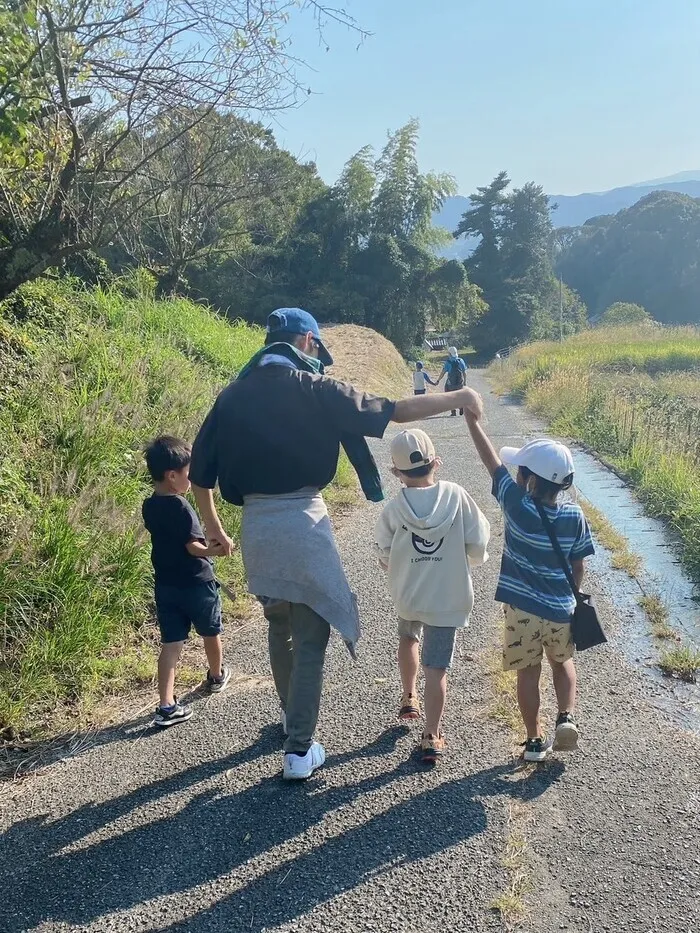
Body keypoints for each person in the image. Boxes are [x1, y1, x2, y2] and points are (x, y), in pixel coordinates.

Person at [188, 307, 483, 780]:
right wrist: (461, 394)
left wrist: (215, 528)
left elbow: (199, 475)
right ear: (307, 343)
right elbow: (394, 411)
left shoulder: (232, 396)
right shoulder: (316, 388)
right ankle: (299, 750)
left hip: (257, 528)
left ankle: (291, 719)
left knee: (279, 623)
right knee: (311, 634)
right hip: (303, 521)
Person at [464, 413, 595, 762]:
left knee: (528, 672)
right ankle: (565, 717)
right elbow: (579, 564)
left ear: (527, 480)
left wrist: (473, 422)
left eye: (520, 470)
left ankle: (534, 740)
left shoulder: (516, 505)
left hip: (521, 613)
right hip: (560, 610)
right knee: (563, 662)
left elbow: (492, 464)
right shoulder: (574, 516)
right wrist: (571, 595)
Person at [375, 428, 490, 764]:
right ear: (435, 462)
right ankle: (431, 735)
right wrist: (464, 559)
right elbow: (478, 542)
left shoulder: (395, 507)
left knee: (408, 637)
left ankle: (409, 694)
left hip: (410, 591)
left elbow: (384, 550)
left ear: (396, 473)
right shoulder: (456, 496)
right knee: (437, 667)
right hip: (447, 595)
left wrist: (395, 562)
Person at [142, 436, 231, 728]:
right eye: (188, 473)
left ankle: (166, 705)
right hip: (196, 582)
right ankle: (216, 676)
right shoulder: (181, 506)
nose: (191, 478)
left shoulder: (149, 505)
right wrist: (213, 550)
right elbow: (193, 546)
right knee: (210, 631)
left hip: (166, 586)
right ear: (172, 476)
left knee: (171, 644)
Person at [440, 347, 468, 416]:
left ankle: (453, 411)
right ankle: (461, 407)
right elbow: (464, 372)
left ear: (449, 353)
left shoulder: (448, 362)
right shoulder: (461, 360)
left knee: (449, 395)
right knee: (460, 395)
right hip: (459, 383)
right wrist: (464, 382)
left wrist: (438, 380)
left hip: (451, 384)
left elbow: (443, 372)